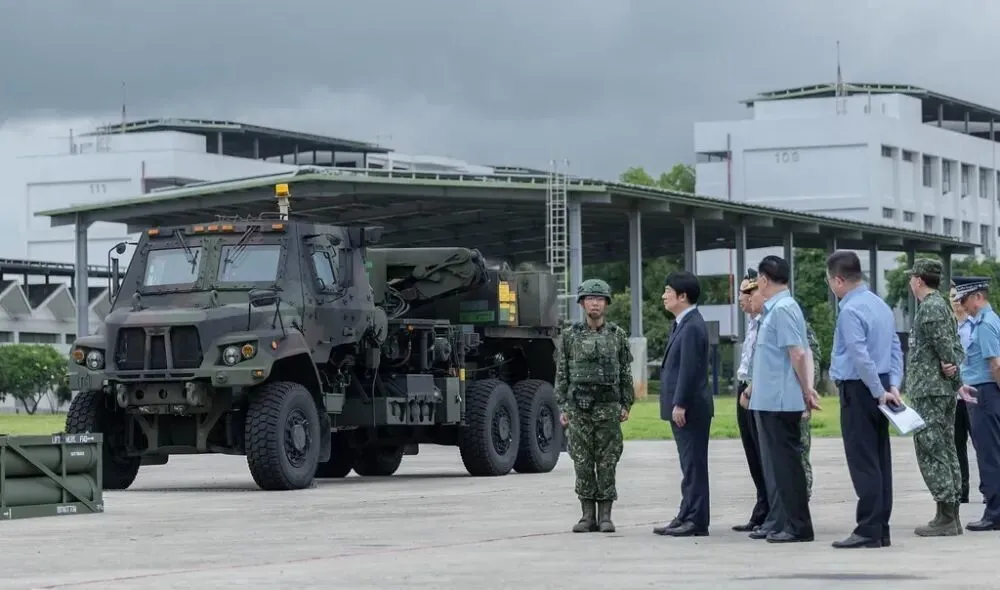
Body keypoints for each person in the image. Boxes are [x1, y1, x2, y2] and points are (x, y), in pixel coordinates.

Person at [826, 250, 903, 549]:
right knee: (880, 459)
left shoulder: (850, 310)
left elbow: (859, 355)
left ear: (838, 280)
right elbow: (895, 347)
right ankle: (881, 528)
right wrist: (892, 384)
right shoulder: (880, 305)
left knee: (863, 461)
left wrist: (876, 390)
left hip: (860, 389)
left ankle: (868, 528)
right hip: (882, 384)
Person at [742, 255, 819, 544]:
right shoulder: (776, 309)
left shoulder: (783, 309)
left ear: (763, 280)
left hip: (780, 401)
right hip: (770, 400)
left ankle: (798, 526)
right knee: (778, 467)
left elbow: (798, 353)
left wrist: (806, 390)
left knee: (787, 467)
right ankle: (786, 522)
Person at [554, 278, 634, 534]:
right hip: (579, 410)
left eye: (599, 299)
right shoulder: (569, 336)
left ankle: (606, 516)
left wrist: (626, 403)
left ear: (606, 303)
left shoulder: (617, 335)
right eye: (590, 299)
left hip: (608, 409)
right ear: (582, 303)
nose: (595, 303)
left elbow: (625, 372)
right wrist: (563, 406)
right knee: (582, 463)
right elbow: (562, 373)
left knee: (607, 462)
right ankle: (587, 516)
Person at [903, 259, 965, 536]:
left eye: (912, 277)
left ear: (918, 280)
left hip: (931, 390)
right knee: (945, 448)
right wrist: (954, 374)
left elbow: (947, 349)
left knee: (932, 449)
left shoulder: (931, 307)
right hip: (938, 389)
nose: (910, 282)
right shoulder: (940, 306)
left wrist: (951, 369)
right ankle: (949, 514)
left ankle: (947, 516)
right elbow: (954, 347)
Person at [652, 271, 712, 537]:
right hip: (685, 407)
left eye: (668, 291)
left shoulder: (692, 326)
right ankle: (686, 513)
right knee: (688, 465)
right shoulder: (682, 323)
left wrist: (680, 403)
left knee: (694, 465)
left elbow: (690, 369)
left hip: (690, 409)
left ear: (683, 296)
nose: (664, 296)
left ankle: (696, 520)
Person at [944, 276, 1000, 532]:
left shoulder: (985, 324)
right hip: (985, 393)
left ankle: (995, 513)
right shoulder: (988, 320)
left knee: (989, 456)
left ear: (978, 296)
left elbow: (995, 364)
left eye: (965, 299)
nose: (962, 305)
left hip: (984, 393)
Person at [732, 269, 767, 532]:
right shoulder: (752, 323)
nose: (741, 299)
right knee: (752, 453)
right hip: (744, 387)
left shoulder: (770, 320)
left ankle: (771, 511)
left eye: (745, 292)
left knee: (765, 454)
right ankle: (762, 507)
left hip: (759, 392)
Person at [950, 280, 980, 504]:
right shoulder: (946, 328)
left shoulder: (976, 326)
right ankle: (962, 490)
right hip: (954, 397)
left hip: (974, 392)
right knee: (957, 445)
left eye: (958, 297)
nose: (956, 301)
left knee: (982, 444)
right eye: (952, 297)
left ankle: (989, 489)